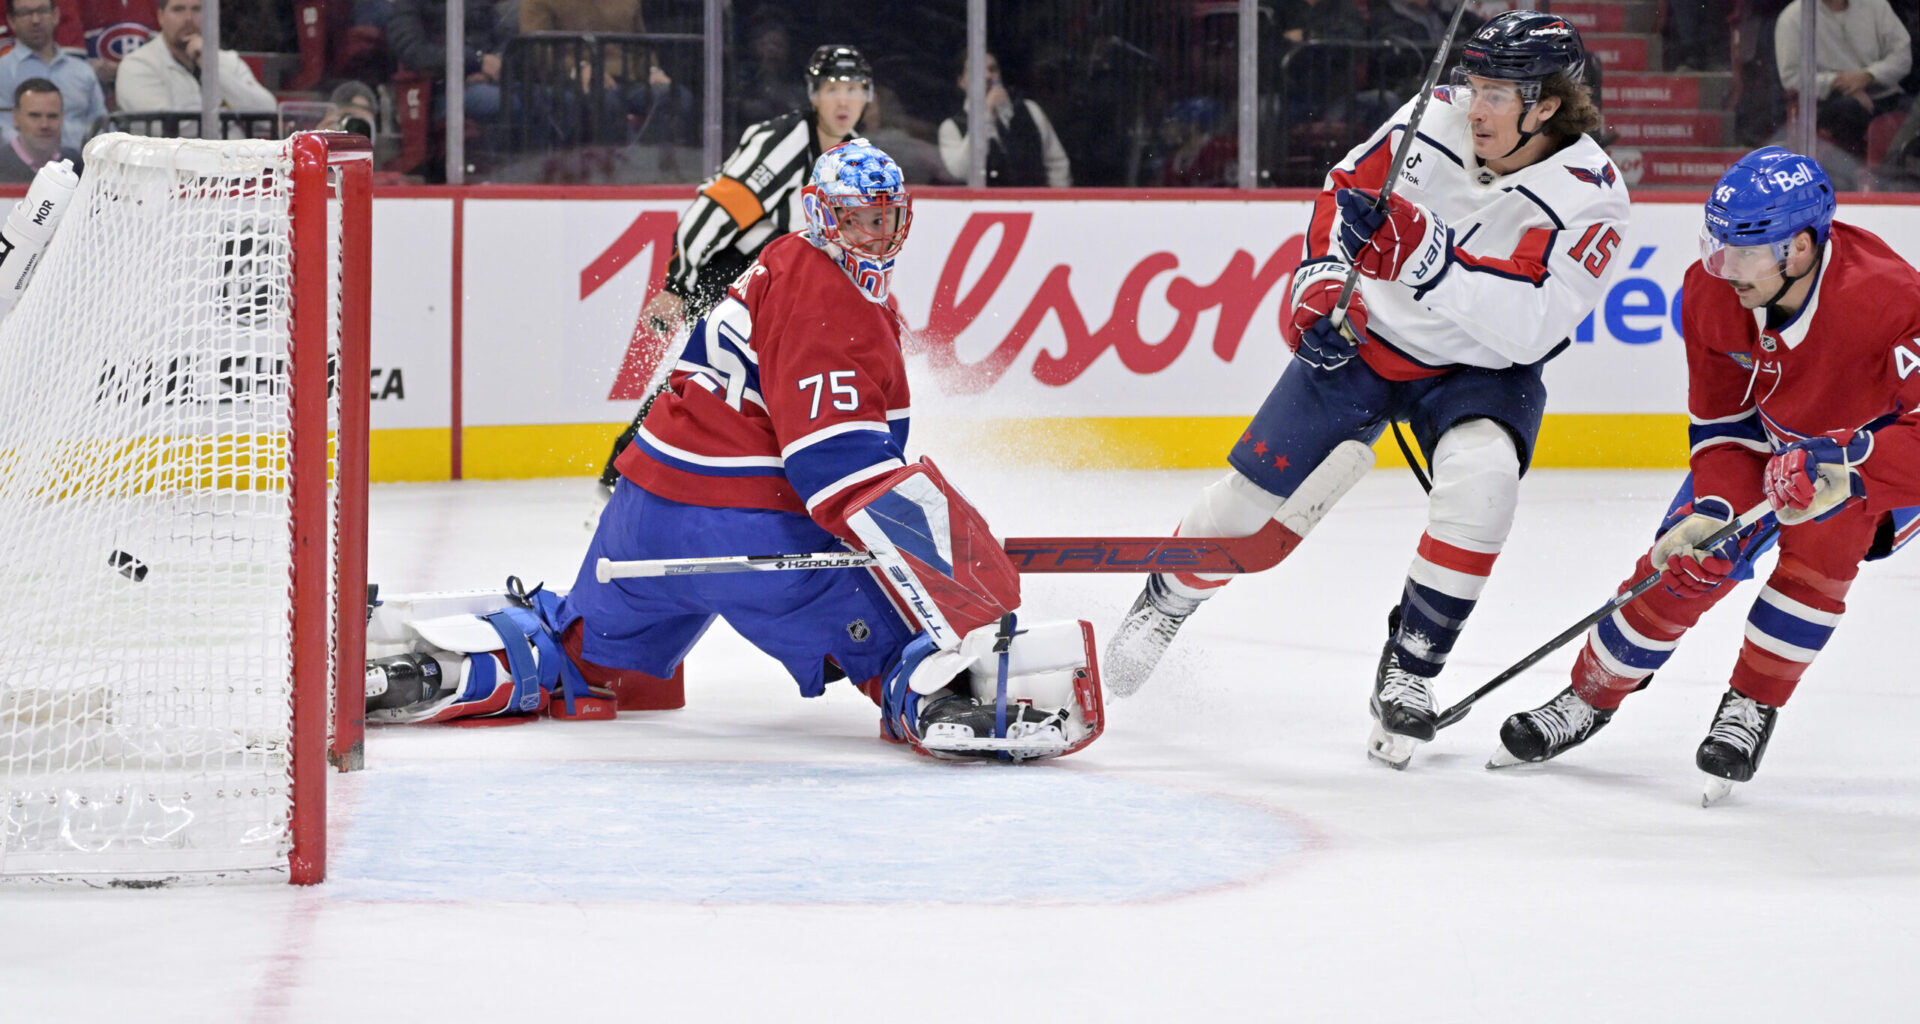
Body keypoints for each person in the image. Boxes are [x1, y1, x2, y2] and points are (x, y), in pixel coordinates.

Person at [366, 141, 1105, 762]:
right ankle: (948, 702)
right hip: (750, 533)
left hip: (642, 518)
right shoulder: (830, 298)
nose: (875, 237)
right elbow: (837, 465)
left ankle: (437, 670)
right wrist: (957, 566)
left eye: (886, 220)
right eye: (857, 221)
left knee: (585, 658)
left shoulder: (780, 260)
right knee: (904, 642)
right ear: (823, 216)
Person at [1104, 11, 1628, 770]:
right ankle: (1166, 600)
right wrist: (1319, 278)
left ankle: (1411, 668)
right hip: (1366, 340)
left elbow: (1533, 326)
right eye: (1473, 85)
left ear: (1546, 104)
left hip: (1481, 370)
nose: (1474, 106)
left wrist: (1432, 264)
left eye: (1497, 94)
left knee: (1482, 487)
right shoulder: (1432, 119)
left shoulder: (1592, 195)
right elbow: (1344, 190)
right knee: (1243, 507)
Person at [1492, 148, 1920, 802]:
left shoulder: (1890, 300)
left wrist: (1846, 466)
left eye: (1745, 251)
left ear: (1800, 248)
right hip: (1764, 443)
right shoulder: (1710, 290)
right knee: (1685, 563)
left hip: (1867, 463)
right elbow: (1722, 424)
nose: (1725, 267)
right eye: (1719, 245)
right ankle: (1587, 697)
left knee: (1817, 564)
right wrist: (1715, 508)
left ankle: (1752, 703)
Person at [595, 44, 873, 490]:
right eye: (833, 88)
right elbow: (712, 214)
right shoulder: (782, 144)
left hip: (779, 280)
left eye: (855, 89)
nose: (844, 100)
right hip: (731, 273)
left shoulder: (856, 154)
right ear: (814, 94)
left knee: (763, 374)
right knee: (703, 376)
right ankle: (624, 469)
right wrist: (677, 286)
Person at [1775, 0, 1911, 158]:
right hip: (1830, 100)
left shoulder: (1877, 6)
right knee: (1849, 111)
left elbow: (1902, 56)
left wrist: (1868, 75)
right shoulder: (1792, 18)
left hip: (1886, 95)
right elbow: (1791, 77)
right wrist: (1838, 83)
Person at [114, 0, 277, 122]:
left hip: (231, 164)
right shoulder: (137, 64)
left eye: (197, 9)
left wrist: (209, 65)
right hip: (167, 165)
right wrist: (228, 118)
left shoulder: (228, 61)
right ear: (160, 16)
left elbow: (268, 112)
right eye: (178, 9)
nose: (188, 18)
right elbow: (163, 128)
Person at [936, 50, 1071, 187]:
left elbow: (1057, 164)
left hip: (1035, 204)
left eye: (992, 69)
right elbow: (962, 172)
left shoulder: (1030, 110)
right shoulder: (951, 127)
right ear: (961, 82)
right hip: (984, 207)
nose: (988, 76)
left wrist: (1056, 203)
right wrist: (987, 114)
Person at [0, 0, 105, 153]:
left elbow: (102, 125)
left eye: (42, 11)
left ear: (55, 15)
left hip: (84, 166)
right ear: (11, 21)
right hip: (22, 170)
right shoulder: (2, 72)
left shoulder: (82, 71)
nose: (35, 20)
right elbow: (3, 129)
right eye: (25, 13)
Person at [386, 0, 516, 123]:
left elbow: (502, 34)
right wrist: (475, 62)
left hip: (490, 81)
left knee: (533, 97)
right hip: (439, 91)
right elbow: (413, 52)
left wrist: (495, 63)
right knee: (507, 102)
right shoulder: (407, 4)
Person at [0, 77, 79, 180]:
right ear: (15, 117)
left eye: (52, 116)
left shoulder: (77, 165)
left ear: (62, 118)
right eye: (34, 116)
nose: (44, 125)